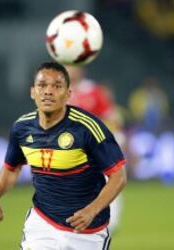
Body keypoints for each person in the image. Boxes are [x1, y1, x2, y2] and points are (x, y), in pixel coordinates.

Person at [0, 62, 127, 249]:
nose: (48, 92)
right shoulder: (22, 128)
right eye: (42, 85)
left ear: (68, 93)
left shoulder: (88, 127)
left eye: (57, 86)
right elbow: (11, 168)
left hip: (87, 231)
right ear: (33, 92)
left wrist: (91, 211)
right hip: (42, 224)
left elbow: (118, 176)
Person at [65, 64, 125, 233]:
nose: (70, 71)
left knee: (110, 179)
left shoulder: (93, 90)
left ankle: (112, 220)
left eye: (73, 67)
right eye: (67, 67)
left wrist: (116, 137)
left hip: (96, 146)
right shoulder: (61, 91)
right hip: (71, 149)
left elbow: (111, 116)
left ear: (81, 70)